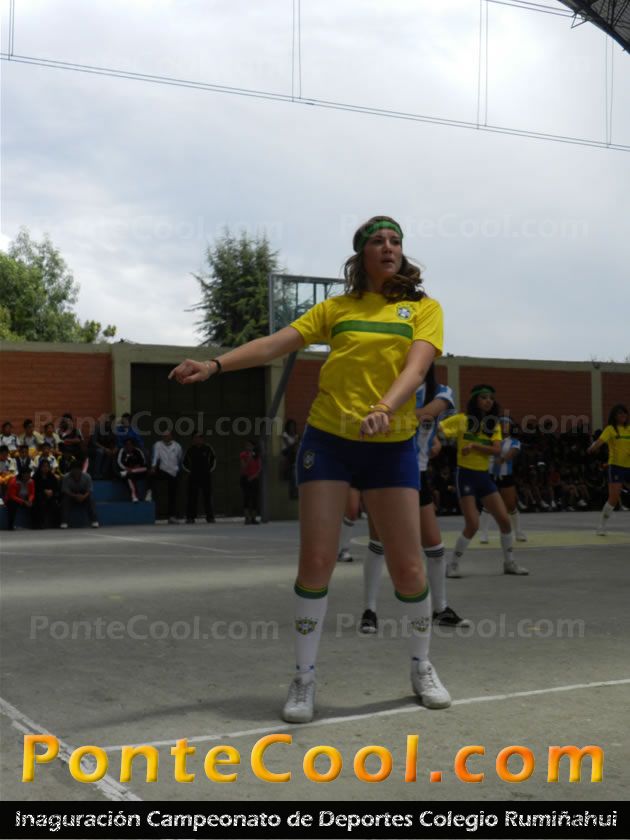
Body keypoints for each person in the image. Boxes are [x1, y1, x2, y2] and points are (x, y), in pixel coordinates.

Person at [169, 215, 451, 723]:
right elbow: (275, 343)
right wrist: (213, 365)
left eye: (395, 241)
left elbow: (417, 368)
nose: (388, 247)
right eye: (378, 241)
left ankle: (421, 666)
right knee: (316, 562)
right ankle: (303, 679)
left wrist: (385, 407)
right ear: (361, 254)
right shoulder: (335, 309)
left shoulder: (424, 309)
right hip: (329, 440)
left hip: (390, 444)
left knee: (409, 568)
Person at [360, 363, 469, 633]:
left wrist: (389, 413)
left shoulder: (441, 392)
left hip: (415, 472)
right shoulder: (385, 387)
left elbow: (427, 415)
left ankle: (440, 609)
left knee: (434, 545)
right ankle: (369, 611)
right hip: (381, 469)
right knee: (378, 543)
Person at [440, 384, 529, 578]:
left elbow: (497, 450)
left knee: (504, 521)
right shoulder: (461, 419)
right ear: (475, 400)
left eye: (491, 398)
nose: (489, 401)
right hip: (465, 475)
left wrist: (474, 446)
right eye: (484, 397)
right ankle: (452, 565)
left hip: (483, 477)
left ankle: (509, 563)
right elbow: (437, 430)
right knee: (472, 525)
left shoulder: (493, 424)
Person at [479, 417, 527, 543]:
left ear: (511, 427)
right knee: (487, 505)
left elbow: (512, 453)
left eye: (507, 424)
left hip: (506, 476)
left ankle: (518, 532)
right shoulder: (490, 440)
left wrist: (503, 459)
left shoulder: (515, 442)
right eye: (501, 423)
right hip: (490, 475)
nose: (504, 425)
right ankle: (483, 534)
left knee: (511, 505)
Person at [587, 404, 630, 535]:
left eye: (625, 413)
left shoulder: (629, 429)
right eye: (620, 413)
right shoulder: (610, 429)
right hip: (616, 467)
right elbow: (600, 442)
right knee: (613, 498)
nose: (623, 415)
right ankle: (601, 525)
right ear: (614, 416)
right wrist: (593, 447)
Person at [148, 431, 183, 523]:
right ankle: (149, 497)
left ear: (171, 436)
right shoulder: (158, 445)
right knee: (155, 485)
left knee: (173, 495)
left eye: (167, 436)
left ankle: (172, 516)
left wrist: (178, 470)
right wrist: (153, 467)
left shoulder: (177, 446)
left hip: (174, 473)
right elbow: (155, 457)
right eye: (164, 436)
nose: (165, 437)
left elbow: (180, 459)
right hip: (162, 471)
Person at [183, 434, 217, 523]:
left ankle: (210, 517)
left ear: (203, 439)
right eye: (196, 438)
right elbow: (184, 463)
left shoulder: (208, 448)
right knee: (192, 497)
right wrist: (190, 471)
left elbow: (213, 461)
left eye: (200, 438)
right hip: (193, 477)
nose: (198, 440)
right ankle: (190, 517)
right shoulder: (190, 450)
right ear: (193, 440)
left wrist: (208, 471)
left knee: (207, 497)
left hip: (206, 477)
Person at [60, 462, 100, 529]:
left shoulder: (87, 476)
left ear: (81, 470)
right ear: (71, 470)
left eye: (78, 470)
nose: (76, 472)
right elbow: (65, 490)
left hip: (83, 495)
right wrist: (75, 496)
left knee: (91, 499)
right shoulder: (66, 477)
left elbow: (89, 490)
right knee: (65, 500)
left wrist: (83, 496)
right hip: (71, 495)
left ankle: (94, 521)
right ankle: (64, 522)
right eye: (74, 470)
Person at [117, 438, 148, 502]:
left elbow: (143, 461)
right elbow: (119, 462)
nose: (129, 446)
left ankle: (141, 494)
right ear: (125, 445)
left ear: (133, 445)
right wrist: (126, 468)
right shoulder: (122, 451)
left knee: (146, 469)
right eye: (127, 444)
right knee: (129, 477)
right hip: (125, 471)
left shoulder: (137, 451)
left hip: (136, 471)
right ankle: (134, 496)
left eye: (130, 444)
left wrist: (138, 466)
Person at [32, 459, 61, 529]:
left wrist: (51, 491)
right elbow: (35, 488)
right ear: (40, 467)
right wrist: (44, 491)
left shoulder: (52, 476)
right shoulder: (36, 476)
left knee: (55, 504)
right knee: (39, 503)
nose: (45, 468)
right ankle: (39, 524)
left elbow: (56, 487)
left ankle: (56, 524)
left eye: (47, 466)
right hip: (39, 496)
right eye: (44, 466)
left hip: (51, 496)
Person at [239, 440, 262, 524]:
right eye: (247, 445)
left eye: (250, 445)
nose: (248, 447)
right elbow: (243, 467)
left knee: (254, 498)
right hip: (245, 478)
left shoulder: (257, 455)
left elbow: (259, 468)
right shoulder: (243, 455)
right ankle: (247, 518)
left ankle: (253, 518)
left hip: (254, 478)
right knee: (246, 498)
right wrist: (249, 458)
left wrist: (253, 477)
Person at [281, 419, 300, 500]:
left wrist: (296, 444)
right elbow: (288, 445)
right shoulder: (285, 435)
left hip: (294, 455)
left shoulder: (296, 435)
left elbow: (297, 446)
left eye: (293, 426)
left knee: (295, 474)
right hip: (287, 453)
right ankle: (292, 492)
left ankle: (295, 491)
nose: (292, 428)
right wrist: (295, 443)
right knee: (292, 475)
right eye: (290, 426)